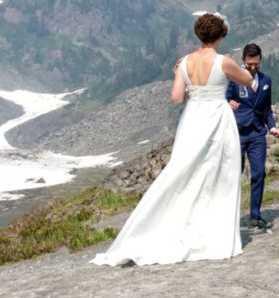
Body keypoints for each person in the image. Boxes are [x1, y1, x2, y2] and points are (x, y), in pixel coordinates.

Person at [92, 13, 254, 266]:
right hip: (217, 116)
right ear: (221, 35)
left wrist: (183, 76)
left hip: (192, 118)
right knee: (219, 173)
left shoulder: (184, 62)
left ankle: (164, 226)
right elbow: (247, 80)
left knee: (182, 171)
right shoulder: (224, 61)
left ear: (199, 35)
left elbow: (177, 97)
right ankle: (212, 232)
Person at [226, 43, 279, 232]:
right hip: (238, 132)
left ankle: (255, 216)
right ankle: (229, 217)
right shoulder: (233, 78)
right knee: (235, 174)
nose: (253, 68)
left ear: (260, 61)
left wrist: (272, 127)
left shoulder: (266, 80)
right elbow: (223, 98)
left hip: (258, 133)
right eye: (250, 64)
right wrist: (228, 103)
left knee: (259, 174)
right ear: (243, 61)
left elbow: (267, 109)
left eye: (256, 64)